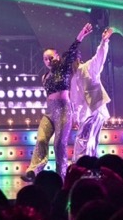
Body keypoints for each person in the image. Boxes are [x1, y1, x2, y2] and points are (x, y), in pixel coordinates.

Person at [25, 20, 92, 178]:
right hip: (49, 112)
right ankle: (34, 171)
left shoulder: (64, 68)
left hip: (63, 110)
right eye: (45, 59)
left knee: (59, 145)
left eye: (50, 57)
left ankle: (61, 177)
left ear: (57, 57)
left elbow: (71, 51)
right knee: (41, 139)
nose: (48, 61)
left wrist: (81, 36)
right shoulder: (45, 77)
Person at [69, 24, 116, 160]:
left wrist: (104, 42)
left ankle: (81, 164)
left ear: (77, 59)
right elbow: (75, 101)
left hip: (95, 108)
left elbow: (99, 57)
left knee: (85, 139)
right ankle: (89, 164)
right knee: (89, 140)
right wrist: (76, 117)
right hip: (87, 112)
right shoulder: (73, 78)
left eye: (73, 61)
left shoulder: (88, 67)